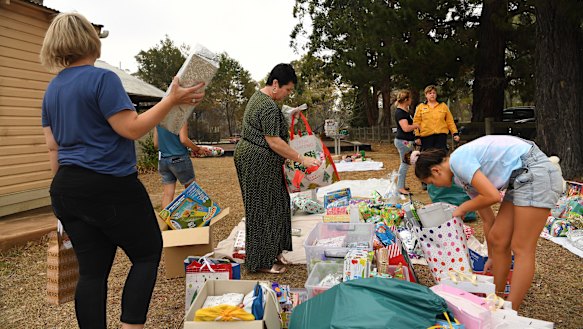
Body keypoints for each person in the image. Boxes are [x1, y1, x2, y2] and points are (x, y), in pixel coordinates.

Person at [40, 12, 205, 329]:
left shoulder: (52, 90)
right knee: (146, 252)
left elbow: (53, 148)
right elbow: (131, 128)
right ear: (90, 41)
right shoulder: (103, 79)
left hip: (66, 188)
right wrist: (170, 100)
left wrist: (64, 199)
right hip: (110, 185)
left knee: (91, 271)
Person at [404, 135, 563, 310]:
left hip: (535, 171)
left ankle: (510, 310)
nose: (436, 186)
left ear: (435, 170)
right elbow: (488, 220)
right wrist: (492, 255)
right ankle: (496, 299)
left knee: (521, 247)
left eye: (431, 182)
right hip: (519, 179)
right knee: (497, 237)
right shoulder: (462, 179)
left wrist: (463, 208)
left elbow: (492, 196)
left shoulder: (458, 161)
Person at [234, 63, 320, 274]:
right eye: (287, 89)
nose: (287, 94)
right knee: (263, 209)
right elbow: (274, 141)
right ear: (275, 84)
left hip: (258, 159)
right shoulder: (267, 106)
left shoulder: (261, 99)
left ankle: (274, 251)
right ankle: (261, 260)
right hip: (257, 161)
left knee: (279, 204)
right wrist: (301, 159)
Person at [153, 123, 210, 209]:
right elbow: (184, 140)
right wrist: (197, 149)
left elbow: (156, 144)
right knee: (192, 190)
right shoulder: (180, 115)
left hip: (163, 160)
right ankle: (199, 218)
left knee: (168, 194)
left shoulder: (158, 118)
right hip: (179, 158)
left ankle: (166, 220)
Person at [413, 85, 460, 151]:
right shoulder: (420, 107)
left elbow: (450, 121)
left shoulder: (443, 106)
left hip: (441, 136)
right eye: (430, 93)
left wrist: (455, 133)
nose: (432, 95)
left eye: (434, 93)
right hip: (426, 137)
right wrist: (417, 136)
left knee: (440, 157)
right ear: (426, 95)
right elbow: (416, 122)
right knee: (428, 157)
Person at [393, 89, 420, 195]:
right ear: (406, 100)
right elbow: (405, 128)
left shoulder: (404, 111)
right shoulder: (400, 113)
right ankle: (400, 188)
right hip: (403, 142)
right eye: (410, 98)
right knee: (404, 164)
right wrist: (416, 126)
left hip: (406, 141)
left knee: (404, 164)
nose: (411, 100)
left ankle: (401, 185)